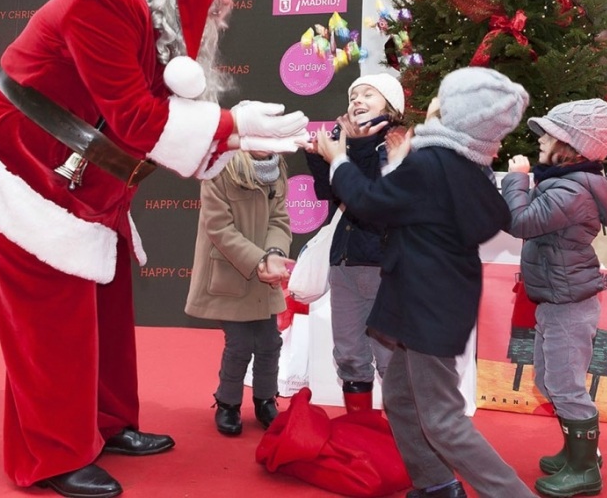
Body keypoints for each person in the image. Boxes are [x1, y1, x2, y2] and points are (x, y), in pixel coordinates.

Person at [0, 0, 308, 498]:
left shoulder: (156, 21)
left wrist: (230, 138)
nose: (226, 4)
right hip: (19, 159)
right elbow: (136, 118)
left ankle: (105, 425)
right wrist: (233, 127)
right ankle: (52, 456)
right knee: (52, 313)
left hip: (82, 175)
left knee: (105, 301)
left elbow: (156, 117)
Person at [315, 67, 536, 498]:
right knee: (399, 397)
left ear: (455, 113)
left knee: (443, 419)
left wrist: (338, 159)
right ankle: (435, 485)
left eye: (443, 98)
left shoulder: (431, 162)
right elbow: (493, 215)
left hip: (424, 305)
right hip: (436, 300)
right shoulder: (466, 167)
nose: (433, 103)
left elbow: (369, 203)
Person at [502, 98, 607, 498]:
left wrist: (517, 181)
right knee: (548, 377)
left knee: (564, 382)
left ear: (571, 148)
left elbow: (520, 222)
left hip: (568, 303)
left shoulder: (570, 190)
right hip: (558, 298)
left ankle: (585, 468)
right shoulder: (565, 183)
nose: (539, 141)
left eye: (548, 135)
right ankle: (577, 452)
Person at [304, 73, 405, 412]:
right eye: (353, 95)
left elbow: (371, 201)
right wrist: (319, 157)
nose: (357, 101)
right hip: (344, 263)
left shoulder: (398, 144)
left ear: (390, 106)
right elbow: (331, 195)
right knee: (348, 351)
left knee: (389, 355)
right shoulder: (343, 142)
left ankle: (403, 437)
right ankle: (360, 431)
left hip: (384, 269)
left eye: (368, 95)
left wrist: (348, 151)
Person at [184, 151, 295, 436]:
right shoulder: (218, 168)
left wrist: (273, 255)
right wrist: (257, 261)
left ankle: (265, 400)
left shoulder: (276, 170)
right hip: (230, 272)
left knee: (270, 341)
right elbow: (219, 228)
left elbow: (279, 220)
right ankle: (227, 403)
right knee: (240, 343)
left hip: (264, 274)